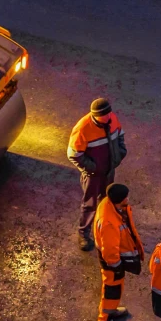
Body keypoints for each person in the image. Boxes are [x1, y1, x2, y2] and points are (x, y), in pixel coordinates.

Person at [67, 98, 127, 251]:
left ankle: (104, 228)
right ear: (95, 115)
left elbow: (120, 135)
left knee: (106, 201)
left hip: (109, 170)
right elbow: (74, 154)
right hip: (93, 174)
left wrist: (120, 153)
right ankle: (84, 234)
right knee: (90, 204)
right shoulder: (83, 128)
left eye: (109, 114)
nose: (108, 118)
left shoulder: (112, 118)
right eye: (104, 116)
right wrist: (92, 168)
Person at [93, 183, 143, 321]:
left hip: (114, 260)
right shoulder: (109, 222)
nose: (128, 200)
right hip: (112, 262)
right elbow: (109, 249)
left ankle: (111, 311)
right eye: (125, 198)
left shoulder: (109, 205)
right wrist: (116, 266)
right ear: (117, 201)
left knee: (115, 288)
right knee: (111, 291)